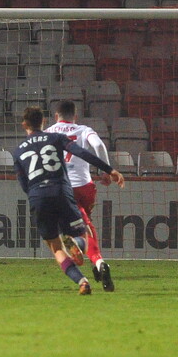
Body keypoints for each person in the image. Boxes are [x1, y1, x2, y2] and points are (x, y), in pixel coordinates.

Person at [13, 106, 125, 295]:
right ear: (44, 122)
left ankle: (82, 282)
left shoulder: (18, 151)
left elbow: (24, 183)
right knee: (83, 234)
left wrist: (37, 196)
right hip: (62, 192)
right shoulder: (55, 138)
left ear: (24, 124)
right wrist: (109, 170)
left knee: (55, 247)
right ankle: (77, 244)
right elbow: (83, 153)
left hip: (38, 197)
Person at [44, 99, 116, 292]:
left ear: (56, 116)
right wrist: (106, 171)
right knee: (86, 225)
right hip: (84, 186)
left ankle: (78, 246)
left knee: (67, 230)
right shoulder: (84, 129)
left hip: (61, 187)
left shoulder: (48, 132)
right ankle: (98, 262)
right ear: (75, 117)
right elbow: (99, 146)